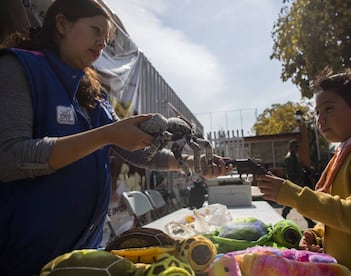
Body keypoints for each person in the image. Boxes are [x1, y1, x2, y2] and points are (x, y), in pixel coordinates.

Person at [0, 1, 231, 275]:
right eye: (96, 30)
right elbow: (10, 159)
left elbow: (132, 150)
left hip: (85, 254)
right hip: (26, 257)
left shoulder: (93, 94)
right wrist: (107, 134)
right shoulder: (19, 68)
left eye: (106, 38)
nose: (101, 44)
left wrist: (192, 164)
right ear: (61, 24)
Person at [256, 68, 351, 275]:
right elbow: (339, 215)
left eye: (329, 109)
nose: (320, 119)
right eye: (317, 112)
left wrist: (291, 194)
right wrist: (318, 234)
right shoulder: (345, 154)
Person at [281, 140, 316, 228]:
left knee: (297, 204)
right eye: (295, 147)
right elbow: (291, 174)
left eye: (298, 147)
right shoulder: (289, 158)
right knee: (297, 204)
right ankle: (281, 219)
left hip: (298, 184)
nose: (297, 149)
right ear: (291, 148)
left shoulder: (294, 157)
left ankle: (309, 222)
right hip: (294, 184)